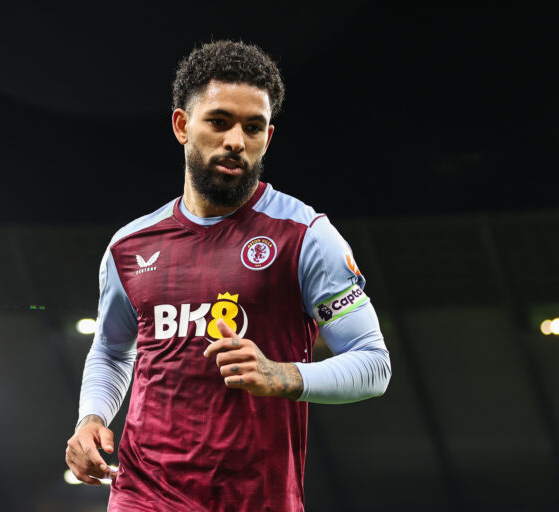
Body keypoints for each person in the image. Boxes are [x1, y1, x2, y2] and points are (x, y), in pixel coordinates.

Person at [65, 40, 391, 511]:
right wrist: (90, 417)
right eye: (219, 122)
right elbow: (113, 349)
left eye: (252, 127)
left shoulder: (305, 236)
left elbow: (373, 365)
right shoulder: (129, 247)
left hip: (257, 499)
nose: (236, 140)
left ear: (267, 138)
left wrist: (281, 375)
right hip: (144, 494)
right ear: (182, 125)